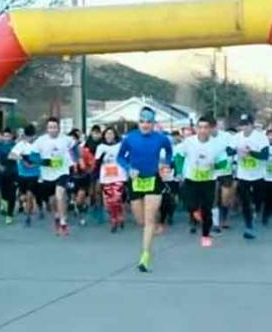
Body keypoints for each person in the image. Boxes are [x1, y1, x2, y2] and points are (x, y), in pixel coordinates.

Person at [117, 107, 173, 272]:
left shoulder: (161, 139)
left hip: (154, 180)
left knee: (148, 220)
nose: (145, 125)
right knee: (141, 221)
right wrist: (128, 168)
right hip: (135, 181)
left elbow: (169, 154)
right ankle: (154, 226)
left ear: (154, 123)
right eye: (142, 121)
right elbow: (120, 157)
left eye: (149, 122)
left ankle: (145, 256)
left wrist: (165, 165)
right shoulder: (130, 138)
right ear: (139, 122)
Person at [175, 116, 227, 248]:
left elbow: (224, 161)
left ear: (210, 129)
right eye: (200, 127)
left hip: (208, 180)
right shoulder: (189, 142)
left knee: (207, 209)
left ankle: (205, 235)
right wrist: (179, 171)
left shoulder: (217, 145)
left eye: (206, 127)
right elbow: (179, 155)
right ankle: (194, 211)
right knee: (190, 205)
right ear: (196, 129)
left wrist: (214, 166)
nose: (203, 130)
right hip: (191, 179)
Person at [35, 117, 75, 236]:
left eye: (55, 127)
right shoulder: (40, 141)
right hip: (47, 175)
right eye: (50, 127)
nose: (53, 130)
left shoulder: (66, 139)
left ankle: (63, 223)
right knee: (52, 201)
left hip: (62, 172)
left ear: (59, 128)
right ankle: (57, 216)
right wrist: (45, 162)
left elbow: (75, 149)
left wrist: (76, 161)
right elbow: (33, 156)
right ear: (47, 129)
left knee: (60, 195)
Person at [232, 113, 269, 240]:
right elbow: (228, 151)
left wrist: (250, 152)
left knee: (258, 200)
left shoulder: (260, 137)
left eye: (246, 125)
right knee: (245, 202)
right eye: (242, 125)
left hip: (258, 175)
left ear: (252, 125)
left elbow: (265, 155)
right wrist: (236, 151)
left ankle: (256, 209)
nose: (244, 128)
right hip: (243, 175)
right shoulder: (237, 137)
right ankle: (249, 226)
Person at [95, 127, 126, 233]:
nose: (109, 136)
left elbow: (125, 159)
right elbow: (97, 163)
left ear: (115, 135)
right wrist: (97, 178)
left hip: (119, 176)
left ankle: (114, 220)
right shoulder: (100, 147)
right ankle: (118, 214)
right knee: (109, 201)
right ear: (104, 136)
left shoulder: (120, 146)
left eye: (111, 134)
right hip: (106, 177)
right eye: (107, 134)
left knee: (116, 198)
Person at [9, 125, 42, 227]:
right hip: (22, 175)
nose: (29, 139)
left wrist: (36, 163)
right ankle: (30, 207)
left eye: (31, 136)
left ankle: (28, 217)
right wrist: (22, 159)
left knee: (29, 195)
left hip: (34, 174)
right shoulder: (21, 145)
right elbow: (11, 155)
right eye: (27, 137)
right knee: (23, 197)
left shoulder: (39, 145)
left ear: (34, 136)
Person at [211, 120, 235, 232]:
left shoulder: (227, 137)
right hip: (211, 172)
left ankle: (224, 219)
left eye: (213, 127)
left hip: (226, 171)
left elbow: (232, 151)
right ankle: (215, 224)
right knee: (214, 197)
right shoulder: (204, 138)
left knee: (225, 198)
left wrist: (227, 158)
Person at [68, 129, 95, 227]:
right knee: (73, 198)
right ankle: (77, 210)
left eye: (73, 140)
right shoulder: (65, 152)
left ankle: (82, 213)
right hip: (70, 178)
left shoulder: (84, 151)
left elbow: (92, 163)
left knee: (80, 197)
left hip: (83, 177)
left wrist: (87, 170)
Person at [0, 129, 18, 225]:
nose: (6, 138)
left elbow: (18, 157)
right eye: (5, 136)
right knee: (4, 194)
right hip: (2, 173)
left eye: (8, 136)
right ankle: (4, 205)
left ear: (11, 136)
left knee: (12, 194)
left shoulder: (15, 146)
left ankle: (9, 215)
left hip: (13, 173)